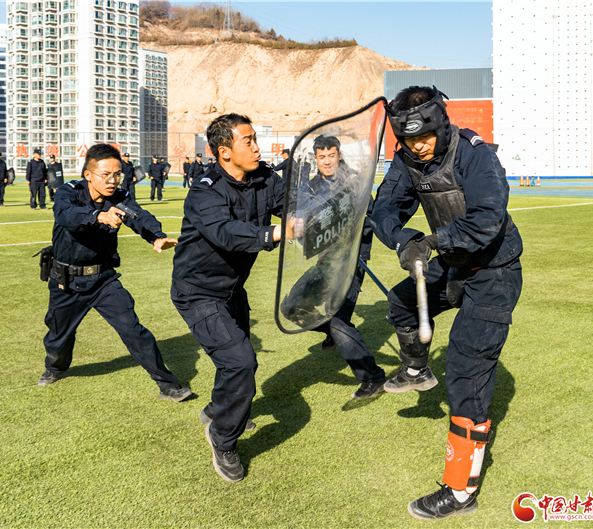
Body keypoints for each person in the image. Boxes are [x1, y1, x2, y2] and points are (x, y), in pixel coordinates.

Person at [371, 86, 523, 520]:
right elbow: (385, 209)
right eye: (407, 139)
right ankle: (416, 369)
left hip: (493, 272)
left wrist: (432, 242)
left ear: (440, 124)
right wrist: (404, 241)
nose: (417, 146)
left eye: (424, 136)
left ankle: (460, 491)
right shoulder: (406, 159)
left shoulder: (475, 155)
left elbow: (487, 220)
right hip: (453, 263)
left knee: (465, 370)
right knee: (402, 302)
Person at [170, 113, 285, 483]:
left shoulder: (265, 177)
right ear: (224, 151)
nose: (257, 148)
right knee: (240, 362)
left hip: (233, 291)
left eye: (255, 139)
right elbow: (226, 233)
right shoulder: (204, 191)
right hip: (198, 293)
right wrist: (274, 233)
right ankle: (222, 437)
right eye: (248, 141)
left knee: (235, 362)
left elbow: (294, 203)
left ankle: (218, 410)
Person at [38, 144, 191, 402]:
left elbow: (139, 216)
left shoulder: (120, 198)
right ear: (88, 174)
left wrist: (156, 236)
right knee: (58, 337)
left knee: (133, 329)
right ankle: (55, 367)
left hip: (102, 280)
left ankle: (168, 385)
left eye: (117, 174)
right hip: (67, 280)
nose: (112, 180)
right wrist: (98, 216)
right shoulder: (69, 192)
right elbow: (66, 215)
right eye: (105, 175)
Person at [280, 135, 386, 399]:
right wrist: (300, 228)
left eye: (331, 155)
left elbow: (370, 220)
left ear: (339, 155)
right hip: (325, 261)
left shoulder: (355, 182)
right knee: (290, 308)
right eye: (322, 157)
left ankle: (373, 377)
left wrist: (351, 233)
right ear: (316, 159)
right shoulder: (310, 187)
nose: (327, 161)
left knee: (338, 319)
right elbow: (303, 224)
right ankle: (331, 332)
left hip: (351, 260)